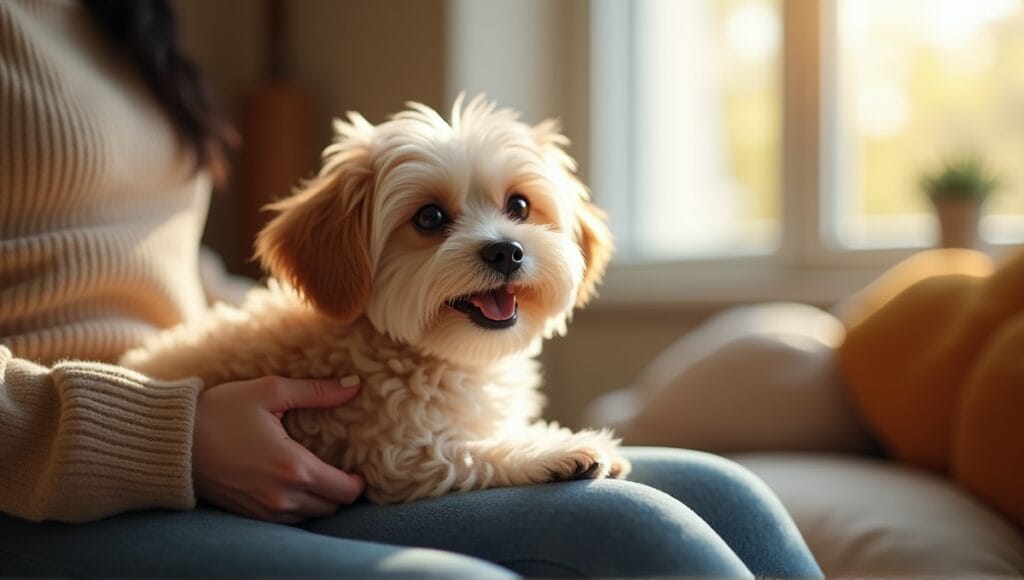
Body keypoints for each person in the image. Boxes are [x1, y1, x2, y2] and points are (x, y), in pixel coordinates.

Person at [0, 0, 823, 576]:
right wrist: (169, 433)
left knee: (729, 493)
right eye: (432, 220)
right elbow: (395, 452)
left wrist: (243, 347)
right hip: (56, 484)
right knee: (625, 532)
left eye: (517, 208)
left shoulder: (125, 22)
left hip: (214, 415)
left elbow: (151, 264)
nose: (499, 243)